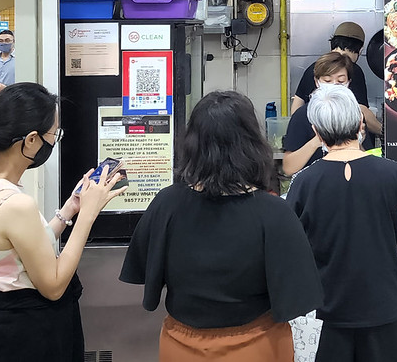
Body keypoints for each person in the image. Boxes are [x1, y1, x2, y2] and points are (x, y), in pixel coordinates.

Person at [120, 91, 322, 362]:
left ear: (192, 143)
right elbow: (300, 293)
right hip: (257, 347)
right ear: (251, 144)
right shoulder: (274, 212)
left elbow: (142, 265)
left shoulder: (167, 204)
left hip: (181, 347)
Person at [0, 82, 125, 362]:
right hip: (30, 335)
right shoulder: (15, 204)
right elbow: (54, 285)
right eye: (53, 134)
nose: (53, 142)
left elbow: (23, 251)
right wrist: (89, 216)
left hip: (2, 329)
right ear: (31, 139)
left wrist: (70, 209)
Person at [286, 84, 397, 362]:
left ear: (316, 131)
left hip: (326, 318)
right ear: (360, 123)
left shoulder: (303, 183)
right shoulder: (393, 174)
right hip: (384, 312)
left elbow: (293, 254)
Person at [283, 52, 375, 176]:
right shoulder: (302, 116)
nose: (334, 85)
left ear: (349, 82)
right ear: (317, 82)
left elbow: (368, 164)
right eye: (327, 80)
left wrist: (357, 143)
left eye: (341, 81)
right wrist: (317, 141)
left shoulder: (355, 114)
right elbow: (288, 168)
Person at [290, 22, 382, 135]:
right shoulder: (352, 70)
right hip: (339, 139)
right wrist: (384, 133)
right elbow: (362, 112)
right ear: (361, 49)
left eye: (340, 81)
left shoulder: (314, 67)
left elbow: (296, 107)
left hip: (312, 137)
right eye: (328, 80)